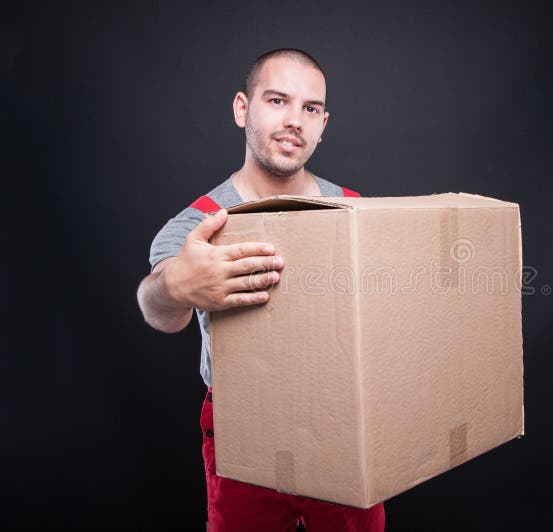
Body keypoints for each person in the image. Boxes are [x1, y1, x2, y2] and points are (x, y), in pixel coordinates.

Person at [136, 48, 386, 532]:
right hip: (243, 426)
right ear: (242, 109)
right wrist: (176, 285)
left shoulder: (356, 212)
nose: (295, 120)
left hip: (343, 424)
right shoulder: (198, 224)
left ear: (324, 122)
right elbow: (159, 310)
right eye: (277, 100)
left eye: (310, 109)